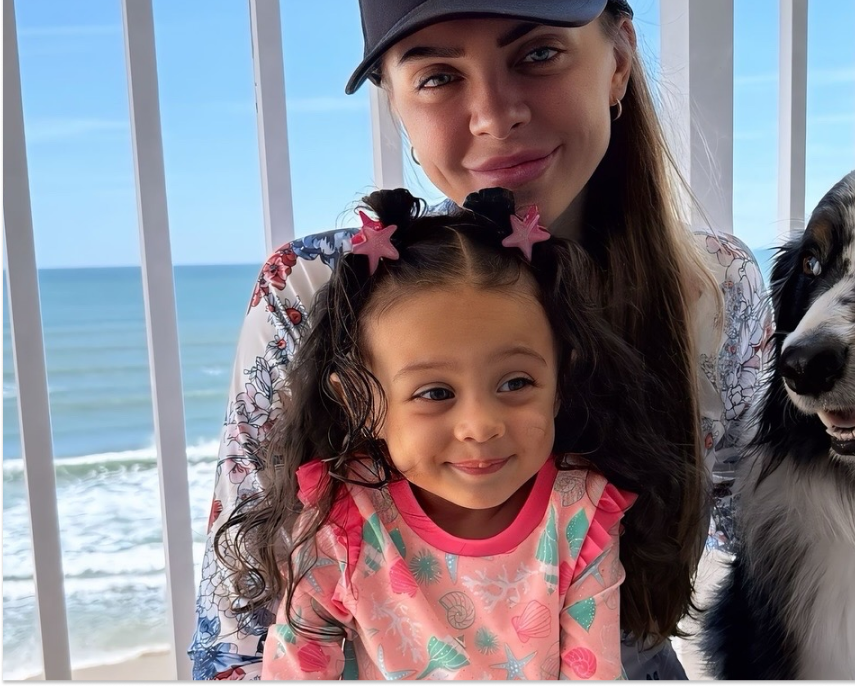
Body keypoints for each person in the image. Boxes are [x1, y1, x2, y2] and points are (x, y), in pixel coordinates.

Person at [190, 0, 773, 681]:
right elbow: (238, 629)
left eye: (537, 54)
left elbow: (779, 548)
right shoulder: (317, 291)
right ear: (395, 103)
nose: (495, 114)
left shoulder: (714, 290)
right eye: (436, 75)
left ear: (616, 61)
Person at [215, 186, 645, 680]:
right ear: (362, 402)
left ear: (560, 385)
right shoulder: (344, 521)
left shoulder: (579, 511)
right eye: (436, 393)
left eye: (516, 382)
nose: (481, 425)